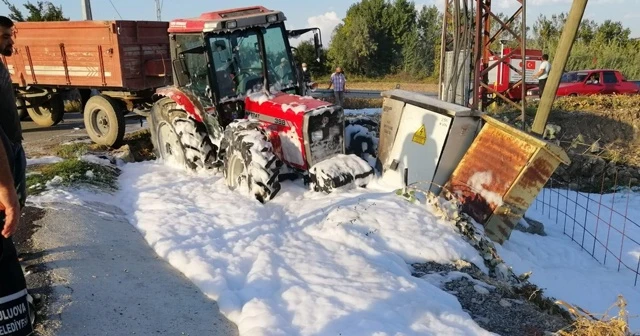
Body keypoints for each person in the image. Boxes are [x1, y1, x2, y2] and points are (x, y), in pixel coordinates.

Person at [0, 15, 34, 336]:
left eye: (10, 34)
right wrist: (6, 186)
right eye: (4, 36)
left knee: (16, 208)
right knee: (7, 218)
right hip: (3, 163)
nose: (11, 41)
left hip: (13, 150)